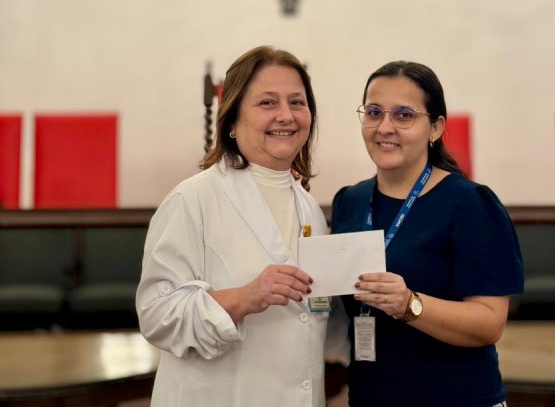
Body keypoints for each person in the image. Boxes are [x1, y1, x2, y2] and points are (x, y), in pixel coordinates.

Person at [136, 46, 330, 407]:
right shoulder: (193, 199)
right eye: (267, 103)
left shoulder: (309, 210)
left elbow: (312, 317)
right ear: (232, 121)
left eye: (297, 103)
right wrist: (245, 297)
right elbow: (155, 315)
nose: (286, 115)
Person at [331, 60, 524, 407]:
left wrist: (409, 304)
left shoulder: (469, 204)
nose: (384, 127)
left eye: (404, 115)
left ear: (435, 128)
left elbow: (490, 322)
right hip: (371, 397)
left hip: (457, 398)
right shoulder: (350, 202)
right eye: (374, 112)